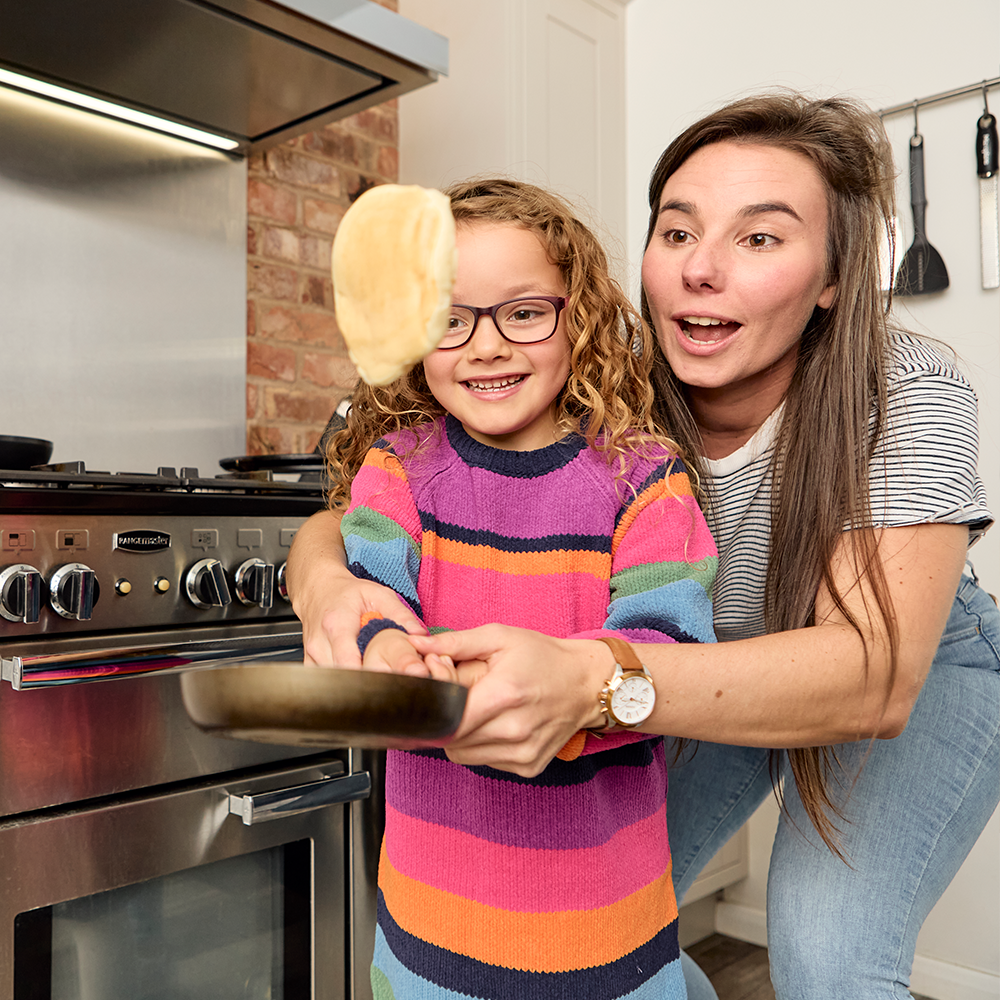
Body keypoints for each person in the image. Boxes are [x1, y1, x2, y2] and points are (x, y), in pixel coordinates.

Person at [287, 93, 1000, 1000]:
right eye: (677, 231)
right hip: (703, 661)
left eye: (760, 238)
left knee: (828, 961)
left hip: (911, 670)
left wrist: (589, 683)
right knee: (602, 902)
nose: (701, 270)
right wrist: (323, 587)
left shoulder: (907, 388)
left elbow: (873, 678)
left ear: (833, 276)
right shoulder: (598, 376)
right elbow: (355, 500)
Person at [328, 177, 718, 1000]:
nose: (487, 346)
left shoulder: (646, 482)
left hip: (610, 943)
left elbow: (669, 658)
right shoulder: (396, 474)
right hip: (428, 941)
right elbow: (368, 604)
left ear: (575, 317)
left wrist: (572, 693)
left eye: (524, 312)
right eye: (450, 318)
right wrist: (392, 659)